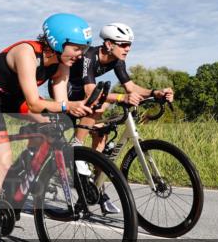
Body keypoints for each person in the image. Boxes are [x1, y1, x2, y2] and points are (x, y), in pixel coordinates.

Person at [0, 13, 94, 242]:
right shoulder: (27, 53)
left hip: (15, 99)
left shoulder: (63, 64)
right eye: (77, 48)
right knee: (2, 159)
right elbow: (36, 104)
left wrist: (77, 114)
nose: (81, 54)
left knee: (55, 124)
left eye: (83, 49)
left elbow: (61, 103)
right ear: (57, 42)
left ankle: (21, 174)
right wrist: (67, 107)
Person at [68, 23, 175, 179]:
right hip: (68, 89)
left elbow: (130, 87)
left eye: (129, 45)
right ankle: (76, 145)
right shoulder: (89, 56)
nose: (128, 49)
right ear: (108, 44)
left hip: (85, 93)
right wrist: (121, 97)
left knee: (101, 134)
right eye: (124, 44)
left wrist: (155, 92)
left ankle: (95, 187)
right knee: (99, 104)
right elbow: (90, 92)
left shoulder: (117, 60)